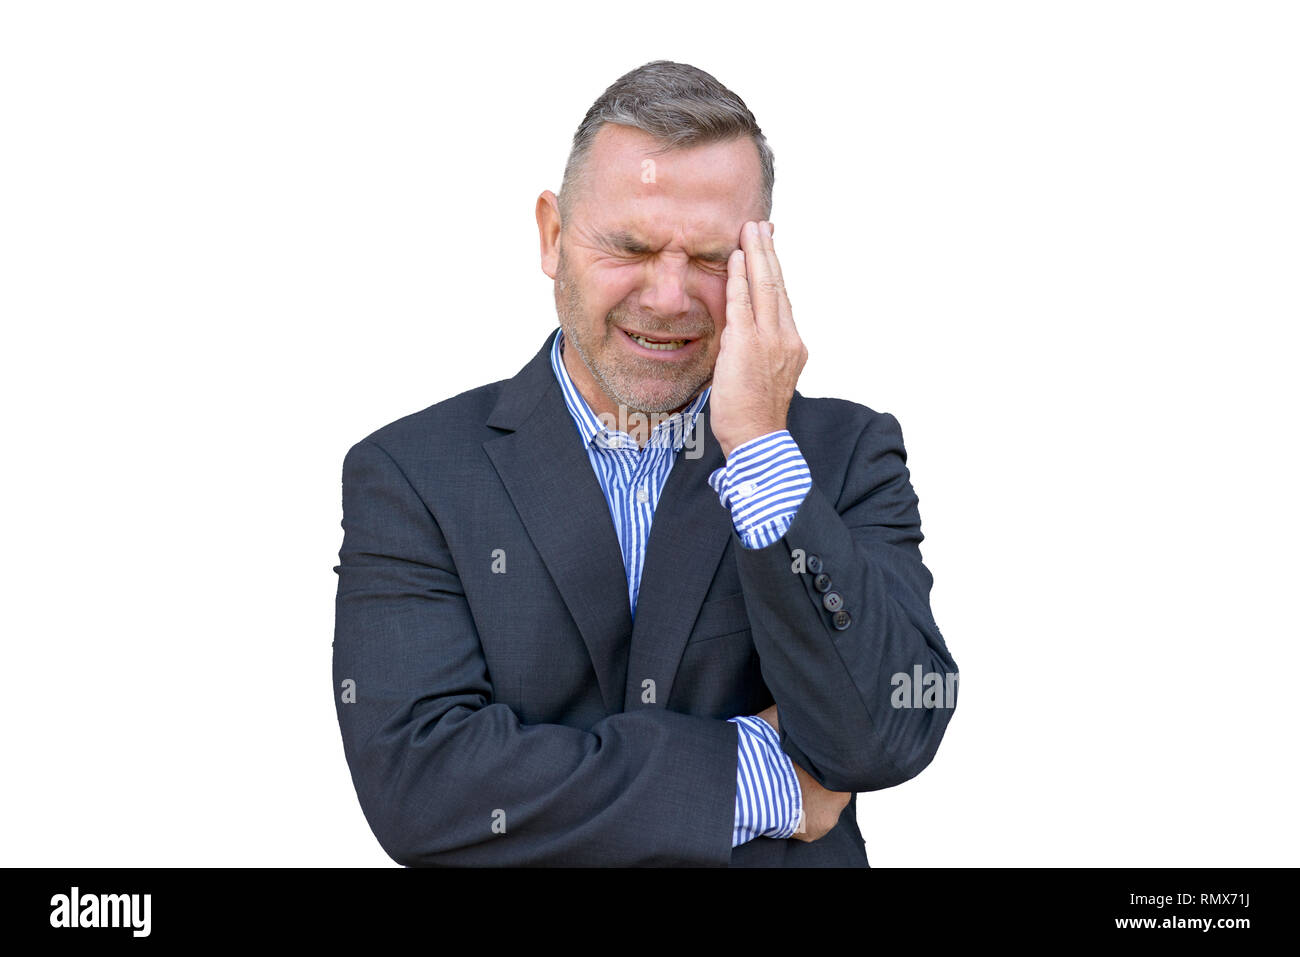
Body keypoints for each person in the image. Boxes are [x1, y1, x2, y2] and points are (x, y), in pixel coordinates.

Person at [332, 60, 958, 866]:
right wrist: (751, 775)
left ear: (761, 263)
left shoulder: (845, 454)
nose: (667, 297)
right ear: (553, 238)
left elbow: (888, 732)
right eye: (629, 247)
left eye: (708, 258)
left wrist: (761, 450)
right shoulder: (412, 474)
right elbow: (422, 786)